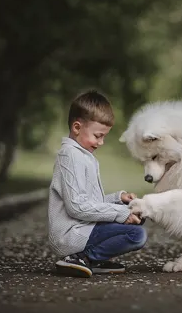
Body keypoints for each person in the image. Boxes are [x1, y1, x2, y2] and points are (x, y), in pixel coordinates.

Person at [47, 89, 147, 278]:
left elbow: (90, 201)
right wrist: (121, 214)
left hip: (84, 228)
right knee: (136, 235)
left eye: (104, 136)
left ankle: (92, 259)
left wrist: (119, 199)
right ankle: (83, 258)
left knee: (137, 223)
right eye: (98, 135)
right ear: (77, 128)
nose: (101, 142)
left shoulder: (83, 155)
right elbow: (77, 207)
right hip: (71, 234)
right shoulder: (70, 156)